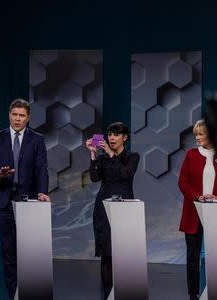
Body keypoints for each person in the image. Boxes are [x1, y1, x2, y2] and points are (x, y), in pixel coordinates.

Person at [0, 98, 50, 299]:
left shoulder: (37, 139)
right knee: (9, 252)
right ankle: (14, 295)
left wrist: (43, 192)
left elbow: (41, 168)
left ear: (28, 118)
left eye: (21, 115)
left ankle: (30, 292)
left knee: (28, 251)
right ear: (9, 115)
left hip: (28, 201)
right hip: (3, 201)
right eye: (14, 114)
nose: (17, 119)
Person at [85, 122, 139, 300]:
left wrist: (110, 153)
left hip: (124, 208)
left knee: (124, 253)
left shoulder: (132, 157)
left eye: (116, 135)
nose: (112, 138)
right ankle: (108, 294)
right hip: (103, 207)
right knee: (106, 255)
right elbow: (94, 178)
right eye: (109, 134)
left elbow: (125, 175)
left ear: (125, 137)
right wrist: (93, 154)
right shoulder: (102, 157)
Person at [178, 119, 217, 300]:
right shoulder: (191, 155)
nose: (197, 138)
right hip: (194, 212)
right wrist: (199, 196)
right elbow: (182, 182)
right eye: (196, 134)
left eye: (201, 134)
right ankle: (193, 294)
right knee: (193, 257)